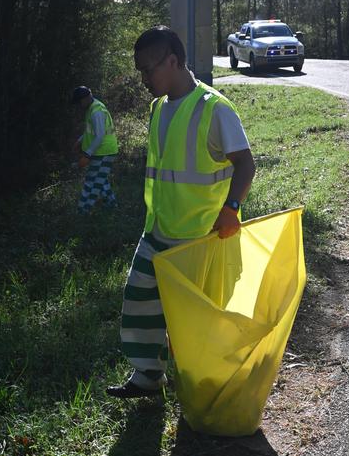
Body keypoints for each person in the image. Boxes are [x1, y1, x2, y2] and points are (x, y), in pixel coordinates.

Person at [107, 26, 256, 399]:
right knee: (140, 303)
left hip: (198, 238)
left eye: (148, 70)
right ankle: (148, 377)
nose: (144, 79)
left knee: (194, 323)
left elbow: (246, 164)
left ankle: (204, 387)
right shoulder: (158, 108)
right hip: (156, 231)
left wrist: (231, 209)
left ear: (173, 61)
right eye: (139, 71)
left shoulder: (215, 109)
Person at [71, 86, 118, 213]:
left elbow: (100, 135)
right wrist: (79, 141)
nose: (79, 105)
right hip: (101, 151)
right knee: (101, 180)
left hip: (104, 152)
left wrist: (87, 155)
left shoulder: (97, 111)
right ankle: (112, 204)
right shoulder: (91, 108)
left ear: (86, 98)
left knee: (91, 182)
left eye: (79, 102)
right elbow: (90, 132)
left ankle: (83, 210)